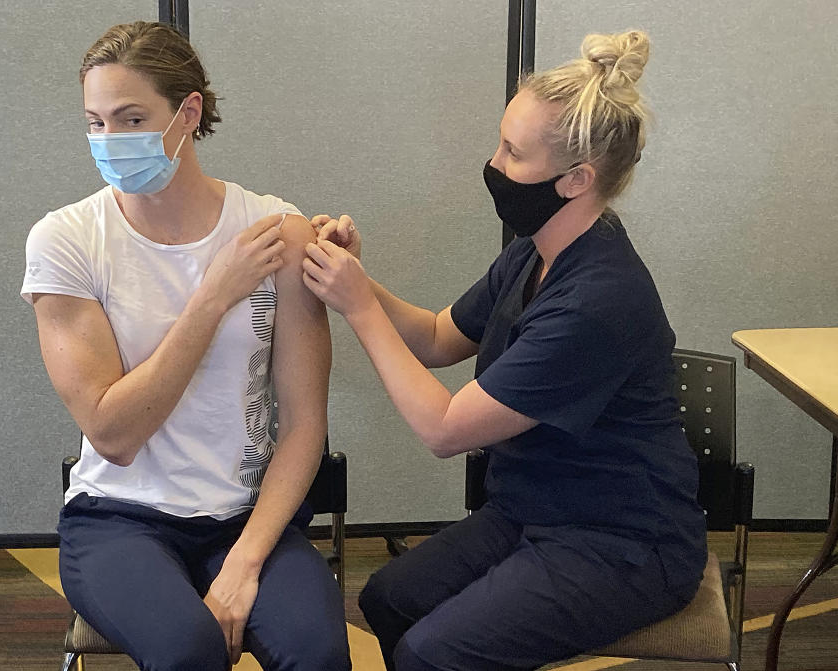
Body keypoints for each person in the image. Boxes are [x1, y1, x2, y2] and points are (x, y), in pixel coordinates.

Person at [302, 30, 706, 671]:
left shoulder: (598, 300)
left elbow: (443, 429)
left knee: (433, 653)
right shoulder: (535, 249)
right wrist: (356, 275)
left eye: (513, 154)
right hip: (532, 509)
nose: (494, 164)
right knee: (390, 599)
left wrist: (355, 307)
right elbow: (437, 337)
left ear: (577, 179)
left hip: (623, 541)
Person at [20, 21, 349, 671]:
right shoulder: (66, 241)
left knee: (318, 653)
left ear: (188, 111)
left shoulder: (273, 232)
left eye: (131, 118)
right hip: (118, 517)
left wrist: (246, 560)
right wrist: (211, 298)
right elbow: (113, 432)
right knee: (189, 652)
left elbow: (305, 425)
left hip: (245, 514)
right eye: (95, 123)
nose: (110, 141)